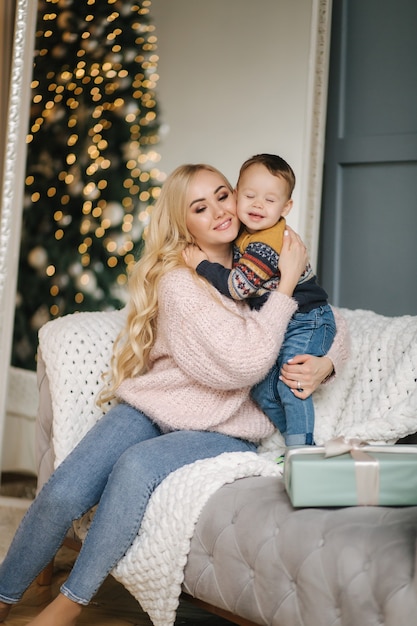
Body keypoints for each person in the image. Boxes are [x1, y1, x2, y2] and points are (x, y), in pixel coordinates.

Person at [0, 163, 348, 626]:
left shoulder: (262, 254)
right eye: (200, 208)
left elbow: (323, 314)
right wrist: (283, 286)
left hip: (223, 424)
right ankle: (4, 596)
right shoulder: (182, 280)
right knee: (64, 491)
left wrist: (328, 362)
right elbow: (243, 363)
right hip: (155, 405)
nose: (221, 212)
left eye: (224, 196)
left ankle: (69, 603)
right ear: (185, 223)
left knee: (136, 466)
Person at [183, 154, 336, 446]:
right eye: (250, 196)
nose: (257, 205)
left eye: (269, 200)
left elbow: (238, 287)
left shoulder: (267, 243)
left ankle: (303, 452)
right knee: (264, 389)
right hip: (288, 321)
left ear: (285, 207)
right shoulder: (245, 231)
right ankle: (292, 442)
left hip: (307, 320)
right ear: (238, 195)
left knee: (292, 382)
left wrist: (202, 265)